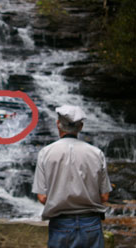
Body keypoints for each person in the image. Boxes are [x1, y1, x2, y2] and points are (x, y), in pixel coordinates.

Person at [32, 104, 112, 248]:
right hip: (91, 223)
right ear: (80, 127)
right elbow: (105, 196)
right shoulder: (96, 153)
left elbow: (42, 197)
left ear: (58, 124)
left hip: (61, 224)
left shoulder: (45, 153)